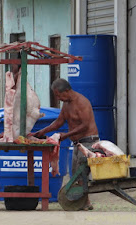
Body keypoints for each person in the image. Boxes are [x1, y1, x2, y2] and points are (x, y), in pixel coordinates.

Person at [29, 78, 99, 210]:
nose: (58, 98)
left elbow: (85, 125)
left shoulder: (82, 102)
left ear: (67, 91)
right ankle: (85, 202)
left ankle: (83, 202)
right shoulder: (66, 104)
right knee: (75, 173)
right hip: (77, 143)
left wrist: (65, 136)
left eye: (59, 95)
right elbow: (59, 121)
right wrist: (41, 132)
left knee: (81, 172)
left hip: (89, 142)